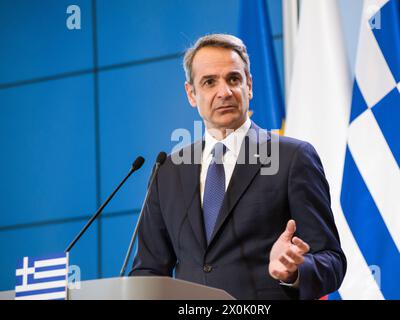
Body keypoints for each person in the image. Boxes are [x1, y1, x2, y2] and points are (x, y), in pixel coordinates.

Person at [130, 34, 346, 300]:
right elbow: (149, 271)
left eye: (233, 79)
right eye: (209, 82)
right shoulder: (168, 171)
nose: (224, 92)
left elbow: (332, 260)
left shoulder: (293, 158)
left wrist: (294, 270)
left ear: (249, 85)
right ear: (191, 94)